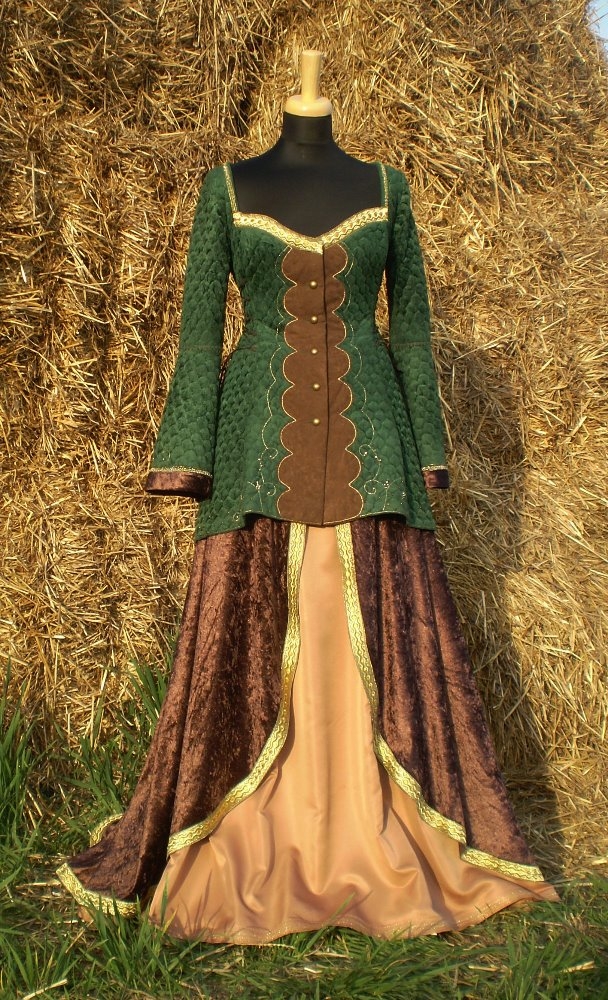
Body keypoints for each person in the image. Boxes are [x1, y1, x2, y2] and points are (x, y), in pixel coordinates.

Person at [57, 51, 559, 942]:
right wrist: (188, 456)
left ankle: (380, 820)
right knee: (251, 629)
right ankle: (255, 824)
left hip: (373, 444)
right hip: (258, 445)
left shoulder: (388, 189)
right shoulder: (226, 189)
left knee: (374, 622)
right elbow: (198, 331)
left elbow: (411, 331)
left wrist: (428, 452)